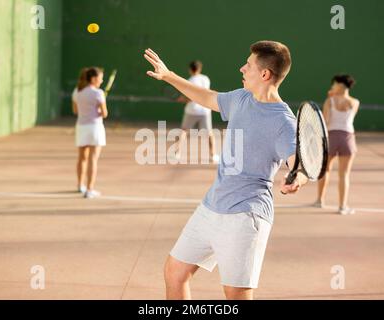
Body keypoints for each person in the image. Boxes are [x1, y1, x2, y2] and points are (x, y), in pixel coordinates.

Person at [144, 40, 308, 300]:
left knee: (235, 295)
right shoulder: (242, 98)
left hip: (246, 216)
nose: (242, 68)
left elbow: (297, 163)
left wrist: (296, 179)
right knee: (175, 272)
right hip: (211, 206)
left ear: (264, 74)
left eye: (249, 65)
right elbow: (208, 98)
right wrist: (168, 76)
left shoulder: (283, 122)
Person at [315, 74, 359, 215]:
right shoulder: (355, 102)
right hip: (348, 139)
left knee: (325, 170)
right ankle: (342, 207)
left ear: (340, 86)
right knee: (344, 174)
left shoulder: (329, 101)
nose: (332, 87)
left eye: (334, 84)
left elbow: (325, 121)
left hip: (331, 138)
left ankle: (320, 201)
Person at [72, 67, 108, 199]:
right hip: (95, 128)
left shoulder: (77, 91)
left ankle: (80, 186)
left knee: (82, 158)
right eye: (100, 77)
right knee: (93, 159)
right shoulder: (99, 93)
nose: (102, 80)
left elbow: (75, 111)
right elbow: (104, 113)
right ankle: (89, 189)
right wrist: (97, 111)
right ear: (93, 79)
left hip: (81, 127)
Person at [175, 61, 219, 163]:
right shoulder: (205, 79)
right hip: (205, 110)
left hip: (191, 110)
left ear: (190, 69)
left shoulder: (189, 81)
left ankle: (177, 153)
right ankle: (213, 155)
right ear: (199, 69)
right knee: (209, 133)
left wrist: (182, 99)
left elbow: (191, 97)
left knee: (184, 131)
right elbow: (204, 94)